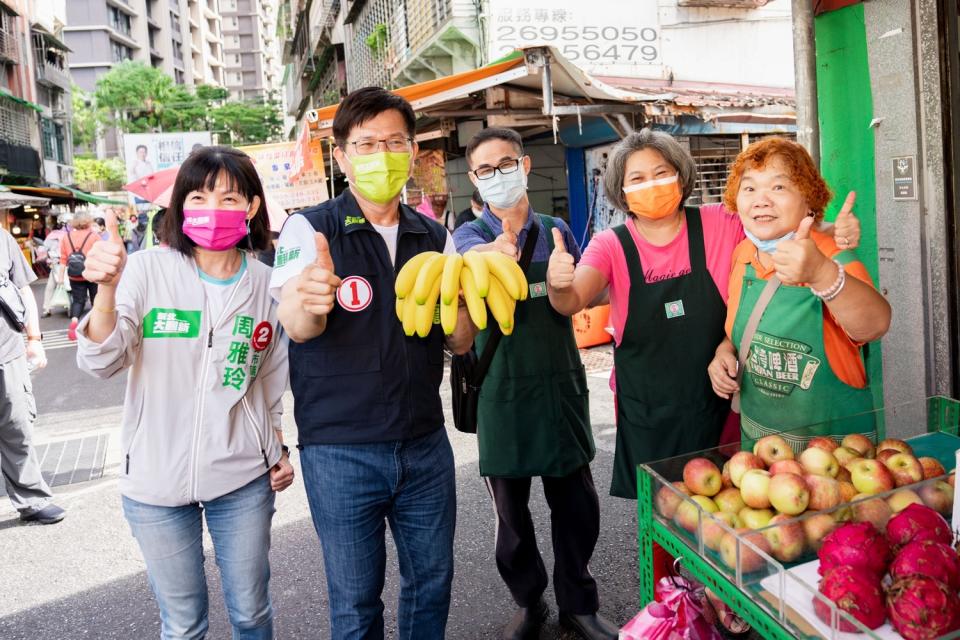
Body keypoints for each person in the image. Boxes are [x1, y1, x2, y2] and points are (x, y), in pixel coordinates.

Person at [546, 129, 861, 498]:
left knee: (735, 505)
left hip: (722, 402)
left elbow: (776, 224)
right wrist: (559, 284)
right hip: (650, 413)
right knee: (663, 519)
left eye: (662, 172)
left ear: (681, 175)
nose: (653, 184)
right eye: (638, 179)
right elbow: (571, 300)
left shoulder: (717, 221)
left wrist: (831, 228)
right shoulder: (610, 244)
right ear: (621, 190)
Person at [270, 87, 475, 639]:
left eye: (392, 143)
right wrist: (310, 298)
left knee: (431, 583)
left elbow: (458, 341)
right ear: (341, 156)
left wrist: (461, 304)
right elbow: (296, 322)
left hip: (424, 444)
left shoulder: (435, 236)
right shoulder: (308, 230)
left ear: (411, 152)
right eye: (365, 144)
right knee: (356, 602)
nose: (380, 155)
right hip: (340, 451)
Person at [76, 146, 294, 639]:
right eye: (198, 195)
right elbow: (101, 361)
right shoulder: (147, 269)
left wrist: (277, 443)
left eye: (229, 197)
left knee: (252, 614)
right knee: (183, 624)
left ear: (252, 207)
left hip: (242, 477)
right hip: (153, 483)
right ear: (179, 205)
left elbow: (270, 376)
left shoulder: (267, 285)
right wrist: (107, 290)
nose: (213, 208)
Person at [452, 128, 618, 640]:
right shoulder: (465, 240)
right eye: (485, 170)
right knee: (511, 517)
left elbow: (583, 295)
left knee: (578, 508)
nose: (498, 175)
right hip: (501, 393)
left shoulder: (556, 230)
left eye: (506, 164)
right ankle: (529, 602)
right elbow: (459, 322)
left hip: (559, 386)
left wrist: (572, 280)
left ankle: (578, 601)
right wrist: (487, 262)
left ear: (524, 166)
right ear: (475, 182)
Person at [707, 137, 890, 448]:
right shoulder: (743, 255)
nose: (761, 200)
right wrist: (724, 352)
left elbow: (875, 325)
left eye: (778, 187)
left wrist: (821, 273)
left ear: (808, 201)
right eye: (749, 188)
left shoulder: (832, 257)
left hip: (834, 459)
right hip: (759, 454)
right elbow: (740, 324)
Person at [0, 226, 63, 524]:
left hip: (7, 350)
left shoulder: (2, 238)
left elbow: (23, 288)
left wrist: (35, 339)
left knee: (17, 427)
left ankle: (32, 500)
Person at [59, 211, 100, 341]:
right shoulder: (94, 236)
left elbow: (63, 259)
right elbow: (100, 255)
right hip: (92, 273)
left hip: (74, 275)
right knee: (96, 301)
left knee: (78, 301)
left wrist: (60, 278)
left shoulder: (67, 237)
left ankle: (74, 325)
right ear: (88, 221)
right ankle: (95, 329)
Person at [41, 220, 67, 316]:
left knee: (50, 287)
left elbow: (43, 249)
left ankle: (47, 309)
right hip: (67, 263)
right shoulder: (67, 235)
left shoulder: (50, 236)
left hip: (56, 264)